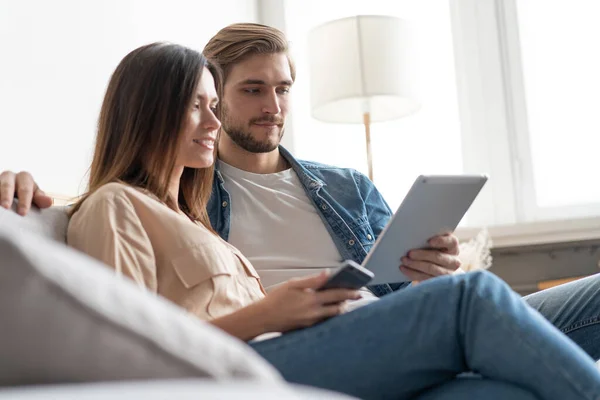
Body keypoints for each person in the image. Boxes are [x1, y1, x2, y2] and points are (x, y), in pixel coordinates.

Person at [40, 40, 599, 400]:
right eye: (198, 105)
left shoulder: (187, 214)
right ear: (149, 111)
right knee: (469, 296)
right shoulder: (117, 205)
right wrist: (267, 312)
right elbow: (123, 355)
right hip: (246, 366)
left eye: (214, 105)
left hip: (314, 339)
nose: (214, 120)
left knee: (494, 394)